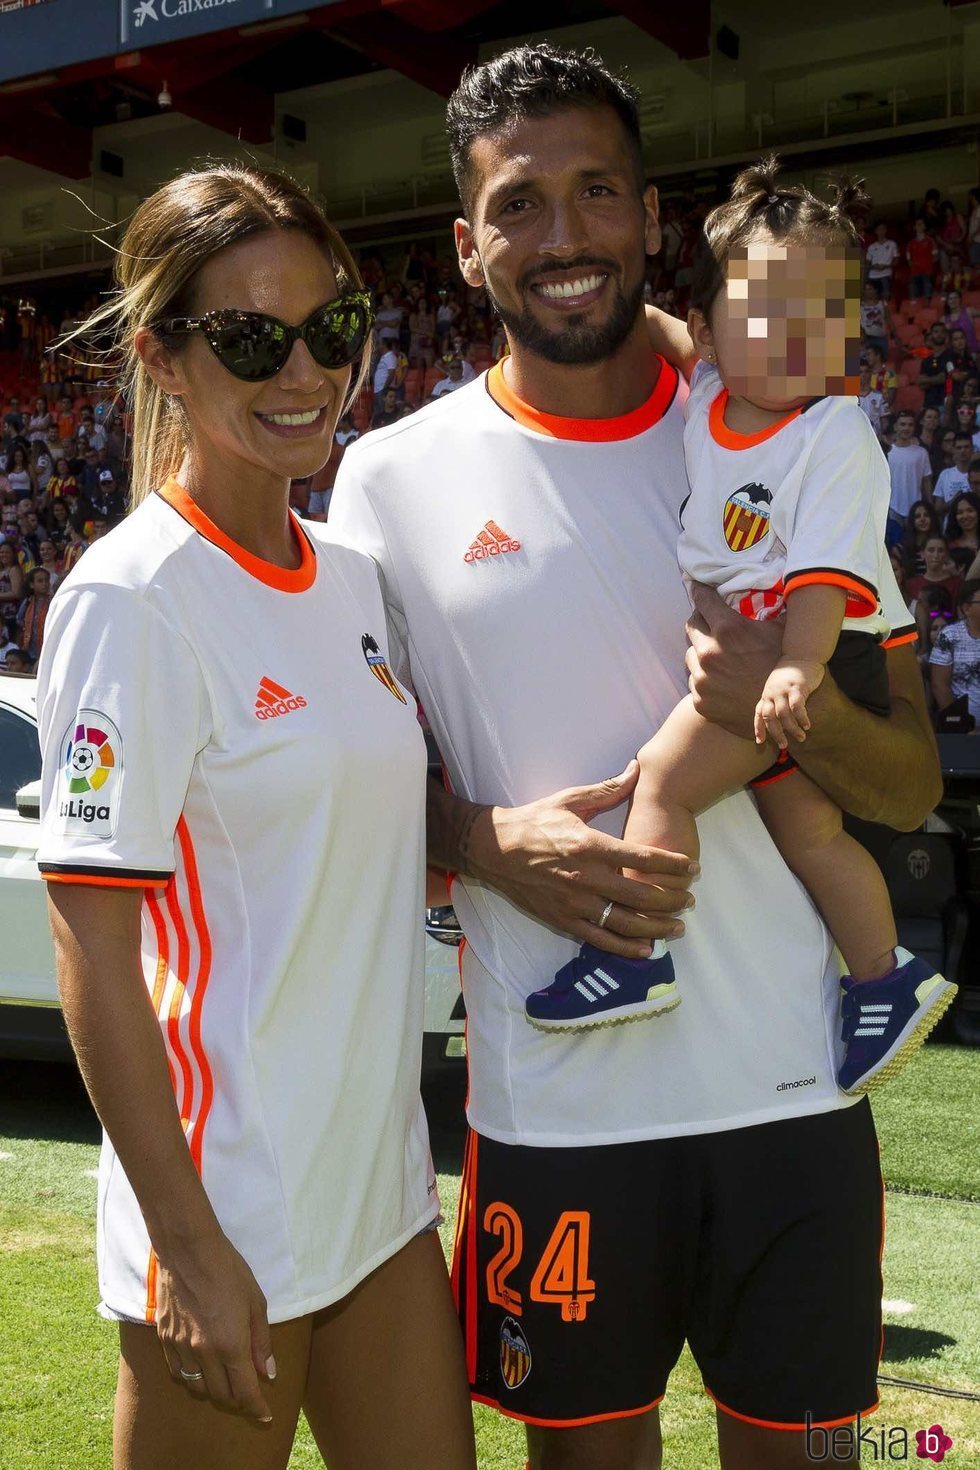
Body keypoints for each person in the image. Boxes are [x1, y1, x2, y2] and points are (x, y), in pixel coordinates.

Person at [330, 43, 941, 1470]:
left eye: (597, 191)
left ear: (653, 216)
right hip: (554, 1102)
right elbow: (345, 785)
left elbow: (910, 780)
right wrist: (483, 843)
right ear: (466, 243)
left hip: (789, 1091)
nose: (564, 235)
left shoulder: (785, 432)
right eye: (521, 202)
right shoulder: (389, 482)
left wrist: (794, 706)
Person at [35, 163, 476, 1470]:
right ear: (164, 355)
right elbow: (93, 952)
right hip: (231, 1210)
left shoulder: (348, 576)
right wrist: (186, 1242)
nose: (304, 370)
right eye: (249, 336)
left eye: (331, 327)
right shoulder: (133, 599)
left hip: (381, 1187)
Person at [523, 160, 951, 1090]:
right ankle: (886, 978)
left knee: (665, 789)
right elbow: (677, 337)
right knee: (809, 834)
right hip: (777, 648)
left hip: (815, 648)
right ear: (718, 332)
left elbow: (829, 575)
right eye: (768, 314)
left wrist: (794, 671)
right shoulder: (714, 397)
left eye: (824, 314)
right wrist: (621, 301)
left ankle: (636, 955)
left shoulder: (833, 431)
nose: (798, 337)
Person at [930, 578, 980, 725]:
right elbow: (940, 686)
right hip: (966, 729)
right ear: (966, 608)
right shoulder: (949, 636)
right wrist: (960, 724)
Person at [887, 410, 933, 530]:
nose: (906, 428)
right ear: (895, 427)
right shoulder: (887, 452)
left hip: (916, 510)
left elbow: (926, 481)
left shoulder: (921, 453)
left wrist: (930, 505)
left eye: (910, 424)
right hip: (891, 508)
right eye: (902, 424)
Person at [934, 431, 974, 507]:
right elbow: (937, 509)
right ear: (953, 449)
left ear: (972, 449)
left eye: (966, 447)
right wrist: (954, 501)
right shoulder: (945, 474)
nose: (963, 450)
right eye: (959, 448)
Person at [865, 219, 898, 299]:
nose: (881, 231)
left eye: (883, 229)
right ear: (876, 231)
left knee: (885, 296)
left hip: (885, 275)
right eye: (879, 229)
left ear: (886, 230)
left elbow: (896, 260)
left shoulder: (892, 244)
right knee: (872, 298)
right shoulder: (871, 247)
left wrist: (886, 266)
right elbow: (868, 262)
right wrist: (874, 266)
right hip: (872, 276)